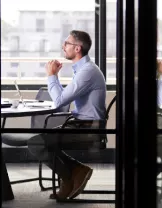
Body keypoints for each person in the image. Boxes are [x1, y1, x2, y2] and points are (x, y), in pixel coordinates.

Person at [27, 30, 106, 200]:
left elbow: (59, 101)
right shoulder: (83, 70)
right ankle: (74, 173)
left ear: (77, 48)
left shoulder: (87, 72)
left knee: (36, 143)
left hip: (88, 128)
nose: (63, 46)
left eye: (67, 44)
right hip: (80, 124)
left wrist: (52, 75)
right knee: (41, 141)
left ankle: (71, 175)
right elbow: (64, 98)